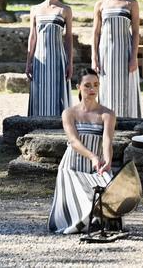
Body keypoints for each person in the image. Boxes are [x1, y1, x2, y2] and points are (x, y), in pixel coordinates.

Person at [47, 68, 114, 233]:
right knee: (77, 187)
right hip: (72, 164)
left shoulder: (107, 114)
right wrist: (92, 157)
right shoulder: (69, 113)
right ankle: (83, 221)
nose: (93, 89)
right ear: (78, 87)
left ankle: (96, 220)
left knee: (108, 186)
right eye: (88, 85)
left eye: (96, 85)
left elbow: (107, 141)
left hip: (97, 164)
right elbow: (74, 141)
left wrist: (107, 160)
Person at [92, 0, 141, 118]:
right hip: (106, 52)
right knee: (106, 87)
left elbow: (136, 32)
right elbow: (96, 32)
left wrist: (134, 57)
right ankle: (107, 122)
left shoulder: (131, 3)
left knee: (126, 87)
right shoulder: (100, 4)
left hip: (124, 51)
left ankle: (128, 120)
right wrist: (94, 58)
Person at [26, 0, 72, 116]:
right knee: (39, 94)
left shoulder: (65, 10)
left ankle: (60, 127)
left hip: (58, 59)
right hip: (39, 59)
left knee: (58, 95)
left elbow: (69, 38)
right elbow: (32, 36)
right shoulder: (35, 9)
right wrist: (28, 62)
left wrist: (70, 63)